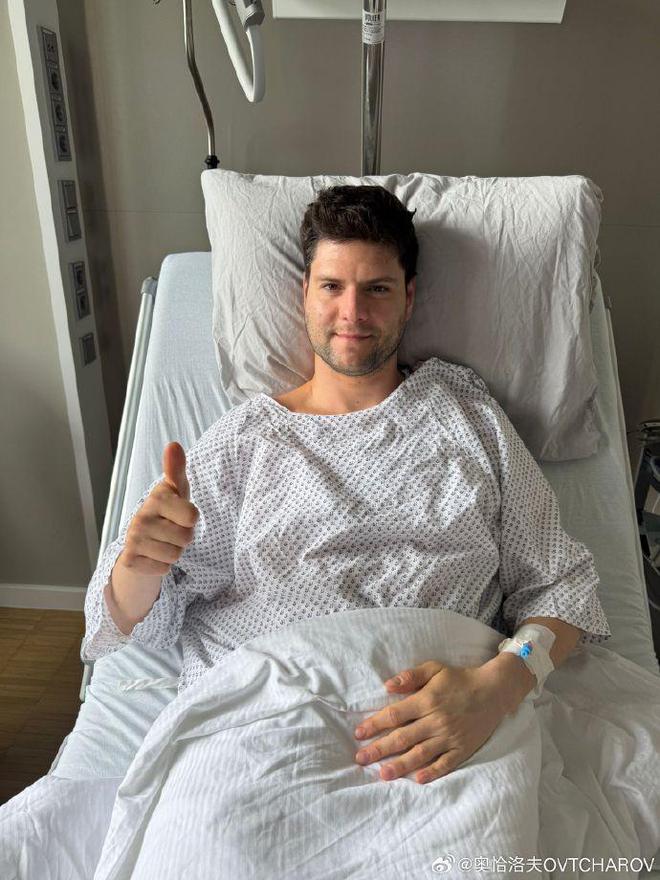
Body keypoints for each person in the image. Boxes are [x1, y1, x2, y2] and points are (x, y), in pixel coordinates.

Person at [81, 184, 611, 785]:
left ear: (409, 298)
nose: (352, 313)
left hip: (447, 735)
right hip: (264, 725)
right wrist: (139, 565)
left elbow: (561, 587)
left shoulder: (467, 415)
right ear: (304, 293)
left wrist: (501, 685)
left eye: (377, 289)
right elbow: (129, 618)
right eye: (332, 286)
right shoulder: (246, 440)